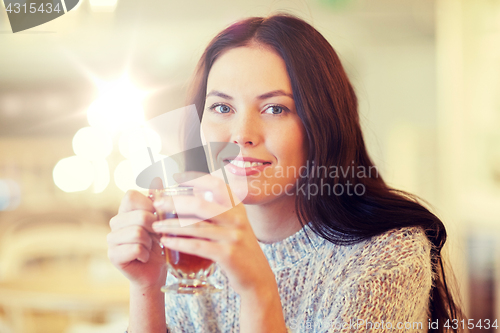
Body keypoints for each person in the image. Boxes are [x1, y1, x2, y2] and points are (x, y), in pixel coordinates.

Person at [107, 14, 464, 333]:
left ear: (321, 124)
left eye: (275, 108)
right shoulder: (195, 244)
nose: (242, 133)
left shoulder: (387, 255)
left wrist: (259, 290)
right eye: (221, 107)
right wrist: (147, 288)